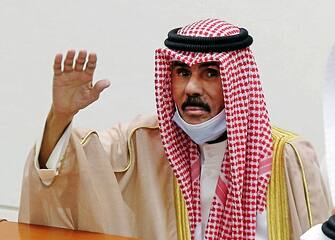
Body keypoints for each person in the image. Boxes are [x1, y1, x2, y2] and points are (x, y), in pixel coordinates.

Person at [19, 19, 332, 240]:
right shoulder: (139, 142)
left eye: (210, 73)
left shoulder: (286, 155)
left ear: (238, 82)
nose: (191, 87)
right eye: (182, 72)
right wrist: (61, 115)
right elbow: (68, 171)